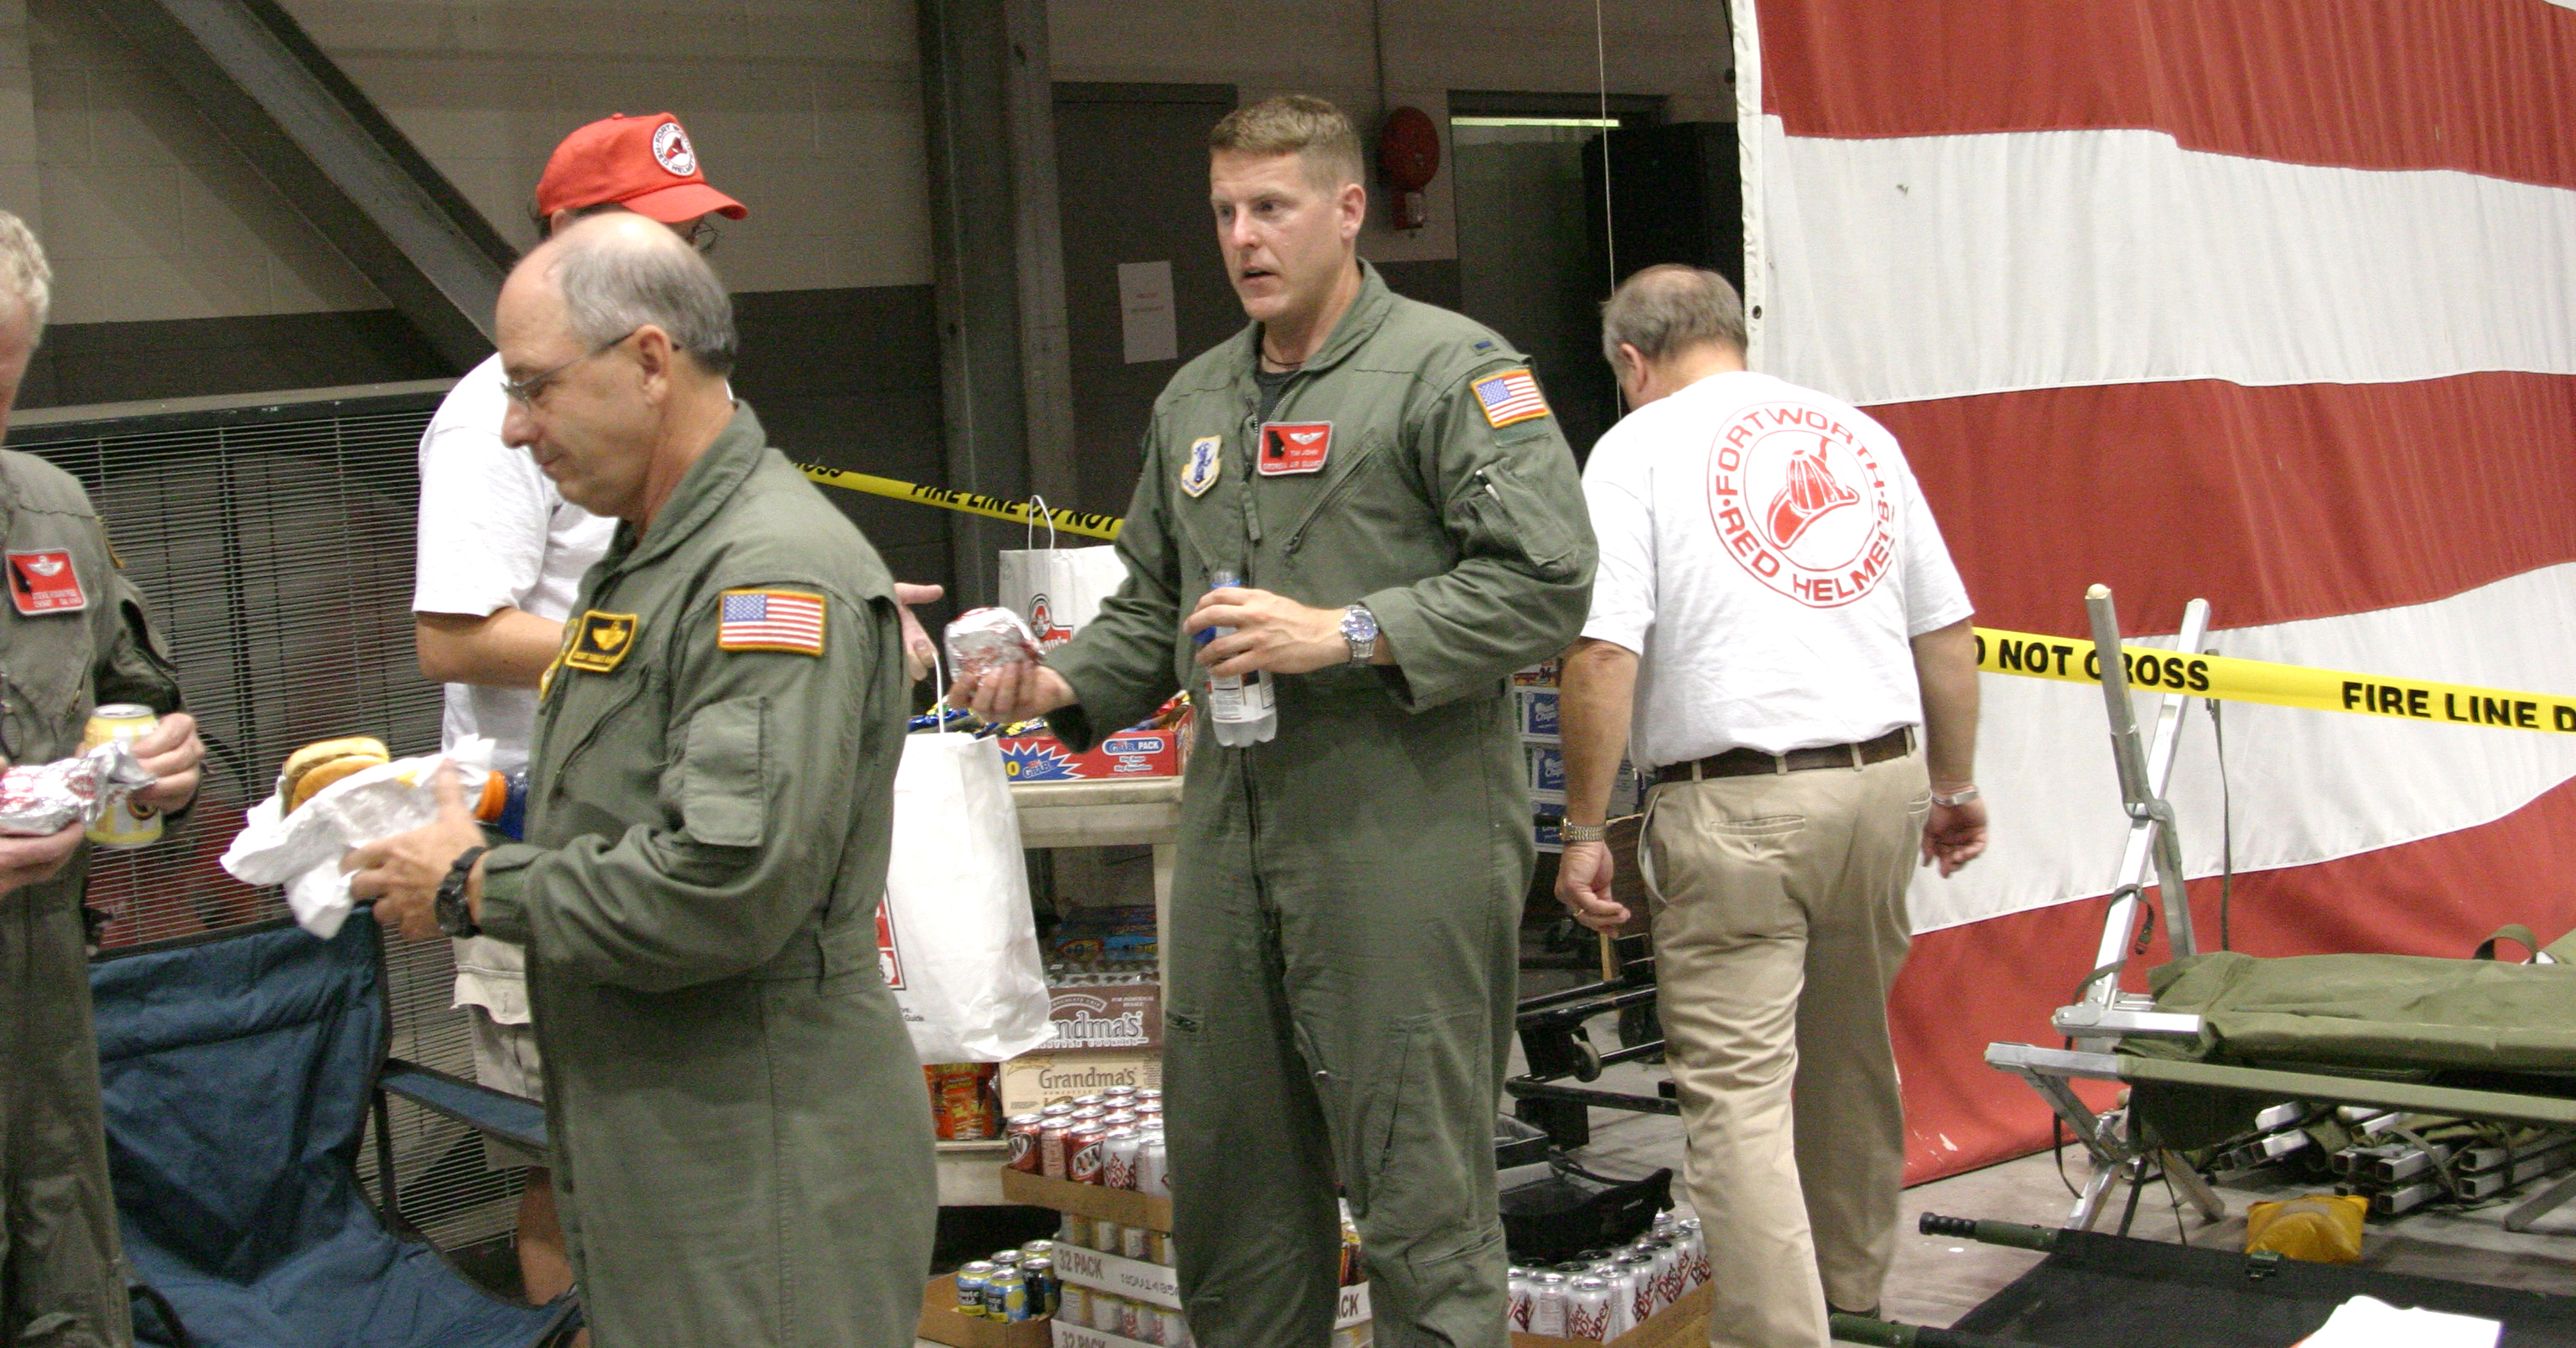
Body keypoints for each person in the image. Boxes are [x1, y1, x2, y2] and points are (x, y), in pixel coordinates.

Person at [954, 95, 1594, 1348]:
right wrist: (1058, 682)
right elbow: (1152, 604)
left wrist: (1346, 632)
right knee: (1236, 1196)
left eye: (1272, 208)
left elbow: (1547, 583)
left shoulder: (1453, 373)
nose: (1244, 238)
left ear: (1349, 211)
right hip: (1234, 851)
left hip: (1400, 842)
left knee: (1419, 1197)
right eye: (1225, 213)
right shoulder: (1195, 402)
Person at [353, 213, 934, 1348]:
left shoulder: (765, 578)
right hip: (663, 1143)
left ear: (651, 363)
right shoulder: (648, 559)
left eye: (534, 388)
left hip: (757, 1159)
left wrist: (481, 887)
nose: (513, 429)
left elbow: (725, 884)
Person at [1553, 265, 1988, 1348]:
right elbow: (1946, 634)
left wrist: (1582, 830)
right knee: (1848, 1064)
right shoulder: (1860, 438)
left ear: (1630, 363)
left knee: (1739, 1102)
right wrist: (1955, 786)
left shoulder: (1634, 449)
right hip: (1881, 789)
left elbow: (1604, 655)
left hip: (1735, 810)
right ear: (1732, 335)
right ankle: (1854, 1305)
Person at [0, 211, 207, 1346]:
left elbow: (138, 699)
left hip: (44, 1034)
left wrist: (164, 766)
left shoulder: (50, 515)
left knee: (70, 1296)